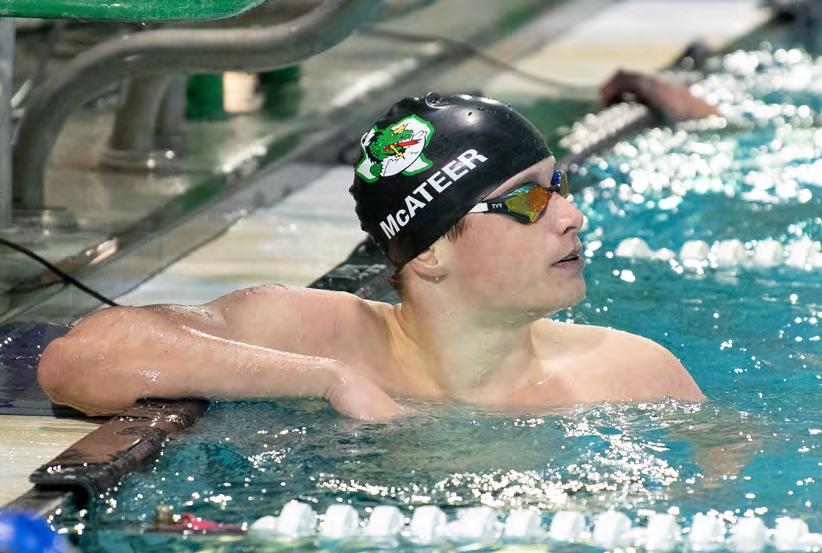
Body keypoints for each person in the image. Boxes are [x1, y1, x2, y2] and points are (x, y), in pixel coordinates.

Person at [38, 73, 713, 421]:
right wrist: (325, 377)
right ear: (429, 251)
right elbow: (80, 359)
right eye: (528, 199)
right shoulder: (315, 336)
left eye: (558, 185)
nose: (572, 216)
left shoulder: (633, 377)